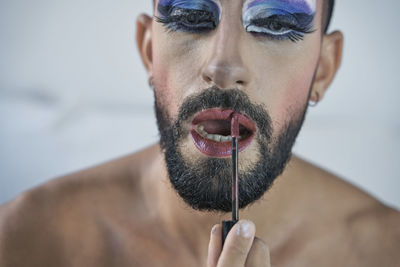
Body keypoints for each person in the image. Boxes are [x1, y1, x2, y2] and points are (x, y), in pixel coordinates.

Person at [0, 0, 399, 266]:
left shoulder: (386, 251)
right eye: (190, 14)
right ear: (149, 50)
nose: (223, 66)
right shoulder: (28, 239)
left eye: (276, 23)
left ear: (324, 69)